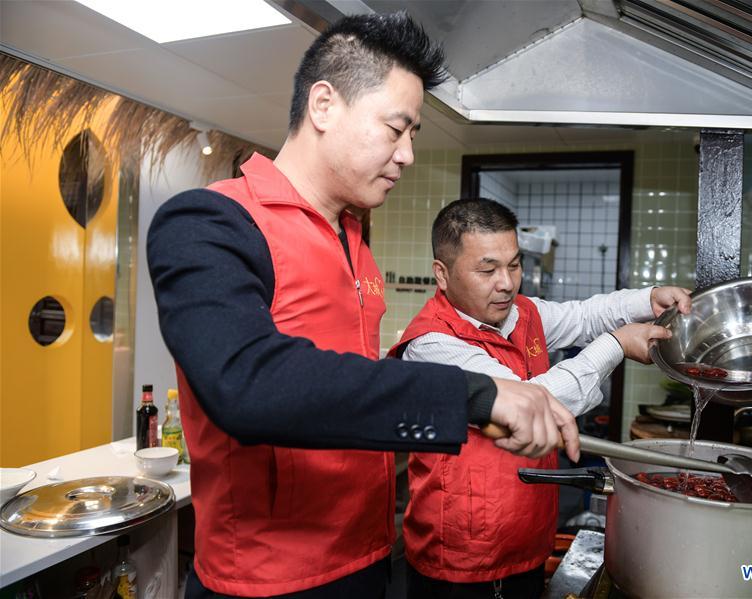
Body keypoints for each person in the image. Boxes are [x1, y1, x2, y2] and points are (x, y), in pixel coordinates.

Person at [147, 14, 580, 599]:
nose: (406, 155)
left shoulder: (355, 243)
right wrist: (476, 394)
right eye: (394, 129)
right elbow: (248, 383)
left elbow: (348, 387)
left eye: (414, 135)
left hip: (369, 557)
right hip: (268, 580)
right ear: (324, 106)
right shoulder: (212, 222)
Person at [389, 198, 691, 599]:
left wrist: (647, 299)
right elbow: (533, 402)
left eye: (514, 265)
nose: (507, 283)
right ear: (442, 275)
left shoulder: (519, 314)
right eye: (487, 269)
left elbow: (584, 316)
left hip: (526, 544)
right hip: (462, 561)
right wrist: (617, 344)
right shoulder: (432, 345)